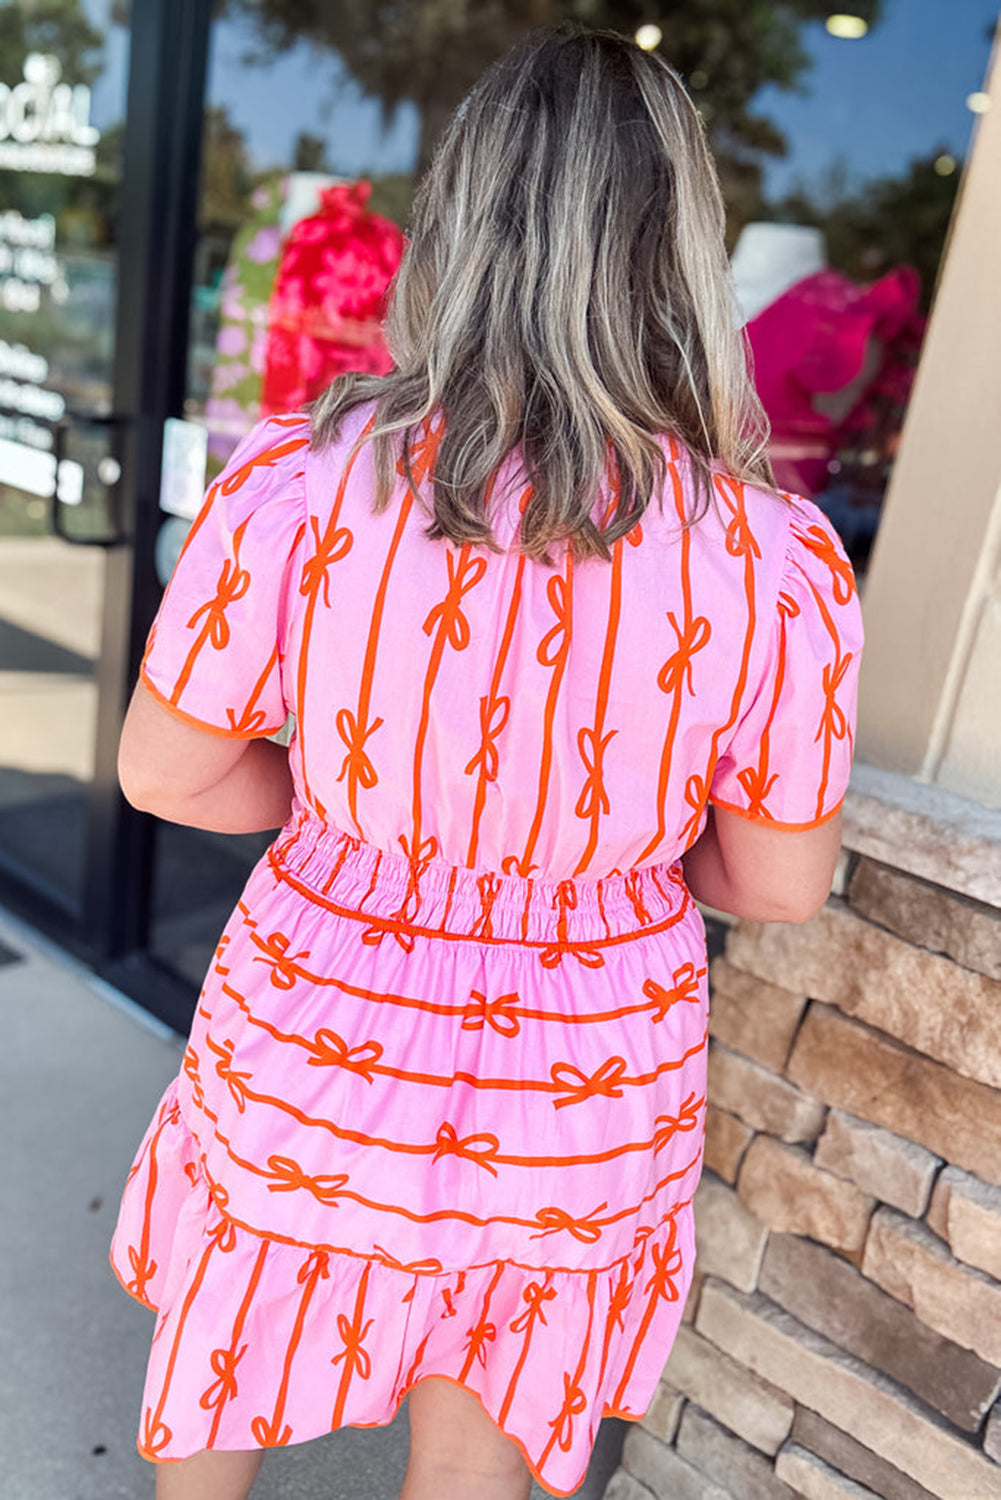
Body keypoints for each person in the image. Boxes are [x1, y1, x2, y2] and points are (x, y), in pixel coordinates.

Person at [111, 24, 862, 1500]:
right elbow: (777, 884)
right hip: (587, 1076)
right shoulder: (777, 561)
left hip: (319, 1022)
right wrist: (609, 860)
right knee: (489, 1427)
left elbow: (169, 773)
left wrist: (347, 818)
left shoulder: (296, 484)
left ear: (455, 223)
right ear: (680, 252)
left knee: (228, 1351)